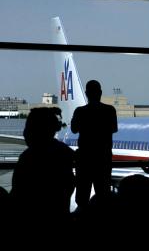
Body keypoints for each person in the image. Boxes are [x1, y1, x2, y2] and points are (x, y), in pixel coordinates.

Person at [10, 107, 75, 236]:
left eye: (28, 128)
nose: (24, 133)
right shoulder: (65, 153)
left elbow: (18, 195)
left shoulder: (28, 158)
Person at [71, 80, 118, 212]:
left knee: (82, 197)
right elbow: (113, 129)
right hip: (103, 158)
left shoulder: (80, 111)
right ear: (100, 93)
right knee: (103, 195)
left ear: (86, 94)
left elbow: (74, 129)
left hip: (85, 159)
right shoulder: (110, 110)